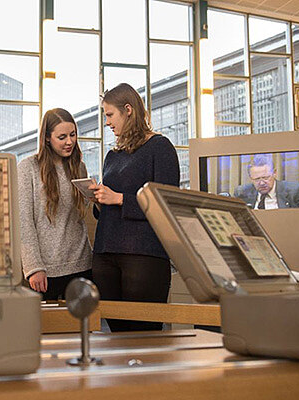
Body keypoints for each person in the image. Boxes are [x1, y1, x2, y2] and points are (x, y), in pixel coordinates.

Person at [88, 83, 180, 331]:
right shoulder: (112, 155)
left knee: (142, 333)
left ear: (128, 109)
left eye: (109, 115)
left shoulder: (160, 148)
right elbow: (108, 207)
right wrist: (99, 200)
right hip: (106, 252)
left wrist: (119, 199)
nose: (107, 122)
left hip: (143, 255)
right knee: (116, 334)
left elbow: (167, 205)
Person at [18, 108, 93, 300]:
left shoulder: (79, 167)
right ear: (47, 138)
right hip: (45, 270)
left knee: (83, 328)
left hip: (82, 264)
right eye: (62, 137)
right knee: (47, 328)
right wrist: (33, 267)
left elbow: (79, 215)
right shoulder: (28, 168)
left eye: (73, 135)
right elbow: (23, 221)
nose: (69, 142)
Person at [233, 155, 299, 209]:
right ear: (251, 178)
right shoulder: (241, 193)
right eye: (257, 179)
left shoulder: (295, 191)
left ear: (274, 173)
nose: (261, 183)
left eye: (265, 178)